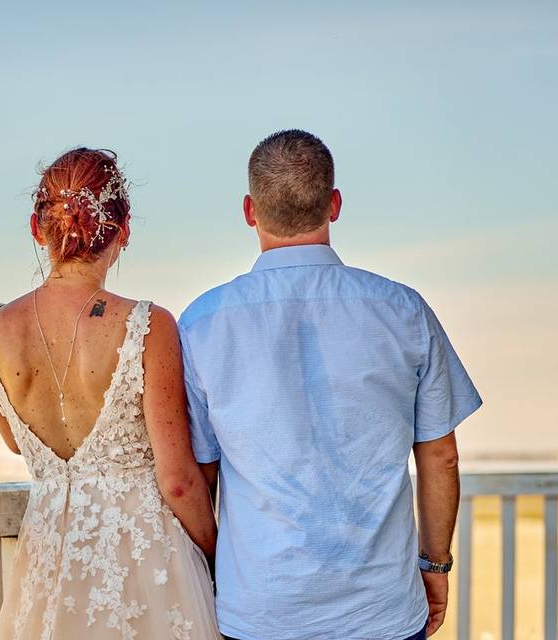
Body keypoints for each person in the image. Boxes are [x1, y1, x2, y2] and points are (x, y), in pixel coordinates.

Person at [178, 130, 482, 640]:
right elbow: (440, 456)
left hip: (259, 608)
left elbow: (200, 474)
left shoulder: (203, 323)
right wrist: (435, 565)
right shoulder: (402, 309)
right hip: (381, 608)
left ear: (250, 211)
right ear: (334, 204)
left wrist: (215, 571)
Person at [0, 147, 221, 639]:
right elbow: (177, 480)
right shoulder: (145, 324)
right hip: (145, 560)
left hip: (49, 562)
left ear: (36, 227)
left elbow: (12, 440)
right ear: (123, 231)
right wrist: (220, 558)